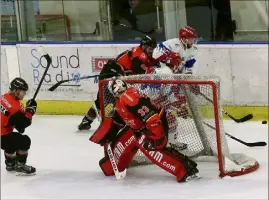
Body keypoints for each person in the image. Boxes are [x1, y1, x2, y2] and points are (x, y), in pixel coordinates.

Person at [89, 78, 200, 182]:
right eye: (117, 89)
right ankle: (186, 166)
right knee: (139, 142)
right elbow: (119, 120)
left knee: (152, 149)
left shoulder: (129, 97)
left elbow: (151, 117)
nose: (118, 90)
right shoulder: (120, 102)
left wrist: (157, 135)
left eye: (119, 88)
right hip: (143, 127)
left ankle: (185, 170)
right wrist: (106, 134)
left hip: (155, 124)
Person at [77, 35, 158, 131]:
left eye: (153, 48)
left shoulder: (143, 54)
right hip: (109, 74)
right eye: (149, 48)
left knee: (112, 100)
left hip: (117, 75)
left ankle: (110, 122)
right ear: (144, 46)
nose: (151, 51)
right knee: (104, 101)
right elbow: (141, 72)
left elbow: (149, 65)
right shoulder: (139, 55)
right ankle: (88, 120)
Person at [1, 77, 37, 175]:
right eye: (23, 91)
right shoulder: (15, 107)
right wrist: (30, 110)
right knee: (24, 141)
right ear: (16, 91)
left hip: (3, 134)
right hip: (2, 137)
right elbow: (23, 124)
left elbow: (18, 125)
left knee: (13, 139)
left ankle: (10, 163)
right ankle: (20, 165)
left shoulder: (4, 97)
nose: (24, 94)